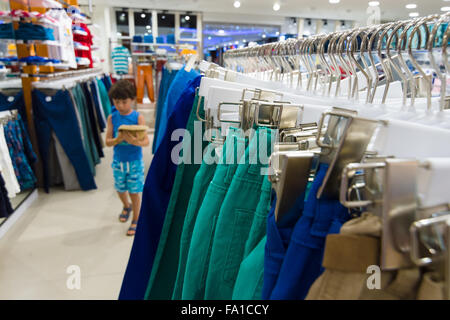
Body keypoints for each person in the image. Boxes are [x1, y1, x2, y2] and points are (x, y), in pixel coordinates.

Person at [105, 80, 149, 236]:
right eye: (117, 102)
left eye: (124, 101)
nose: (120, 105)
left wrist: (133, 141)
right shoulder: (112, 117)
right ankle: (126, 206)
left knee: (135, 192)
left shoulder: (138, 117)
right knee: (120, 188)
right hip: (118, 161)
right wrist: (118, 139)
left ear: (131, 100)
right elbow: (108, 142)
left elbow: (145, 142)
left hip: (135, 162)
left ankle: (136, 219)